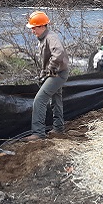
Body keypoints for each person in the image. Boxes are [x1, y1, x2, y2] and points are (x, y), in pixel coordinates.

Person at [23, 11, 70, 141]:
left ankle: (38, 133)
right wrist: (45, 73)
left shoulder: (50, 37)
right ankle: (59, 128)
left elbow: (59, 52)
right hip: (58, 72)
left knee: (40, 99)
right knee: (56, 99)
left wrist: (51, 68)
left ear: (42, 26)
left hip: (58, 73)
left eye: (34, 28)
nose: (32, 31)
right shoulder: (44, 38)